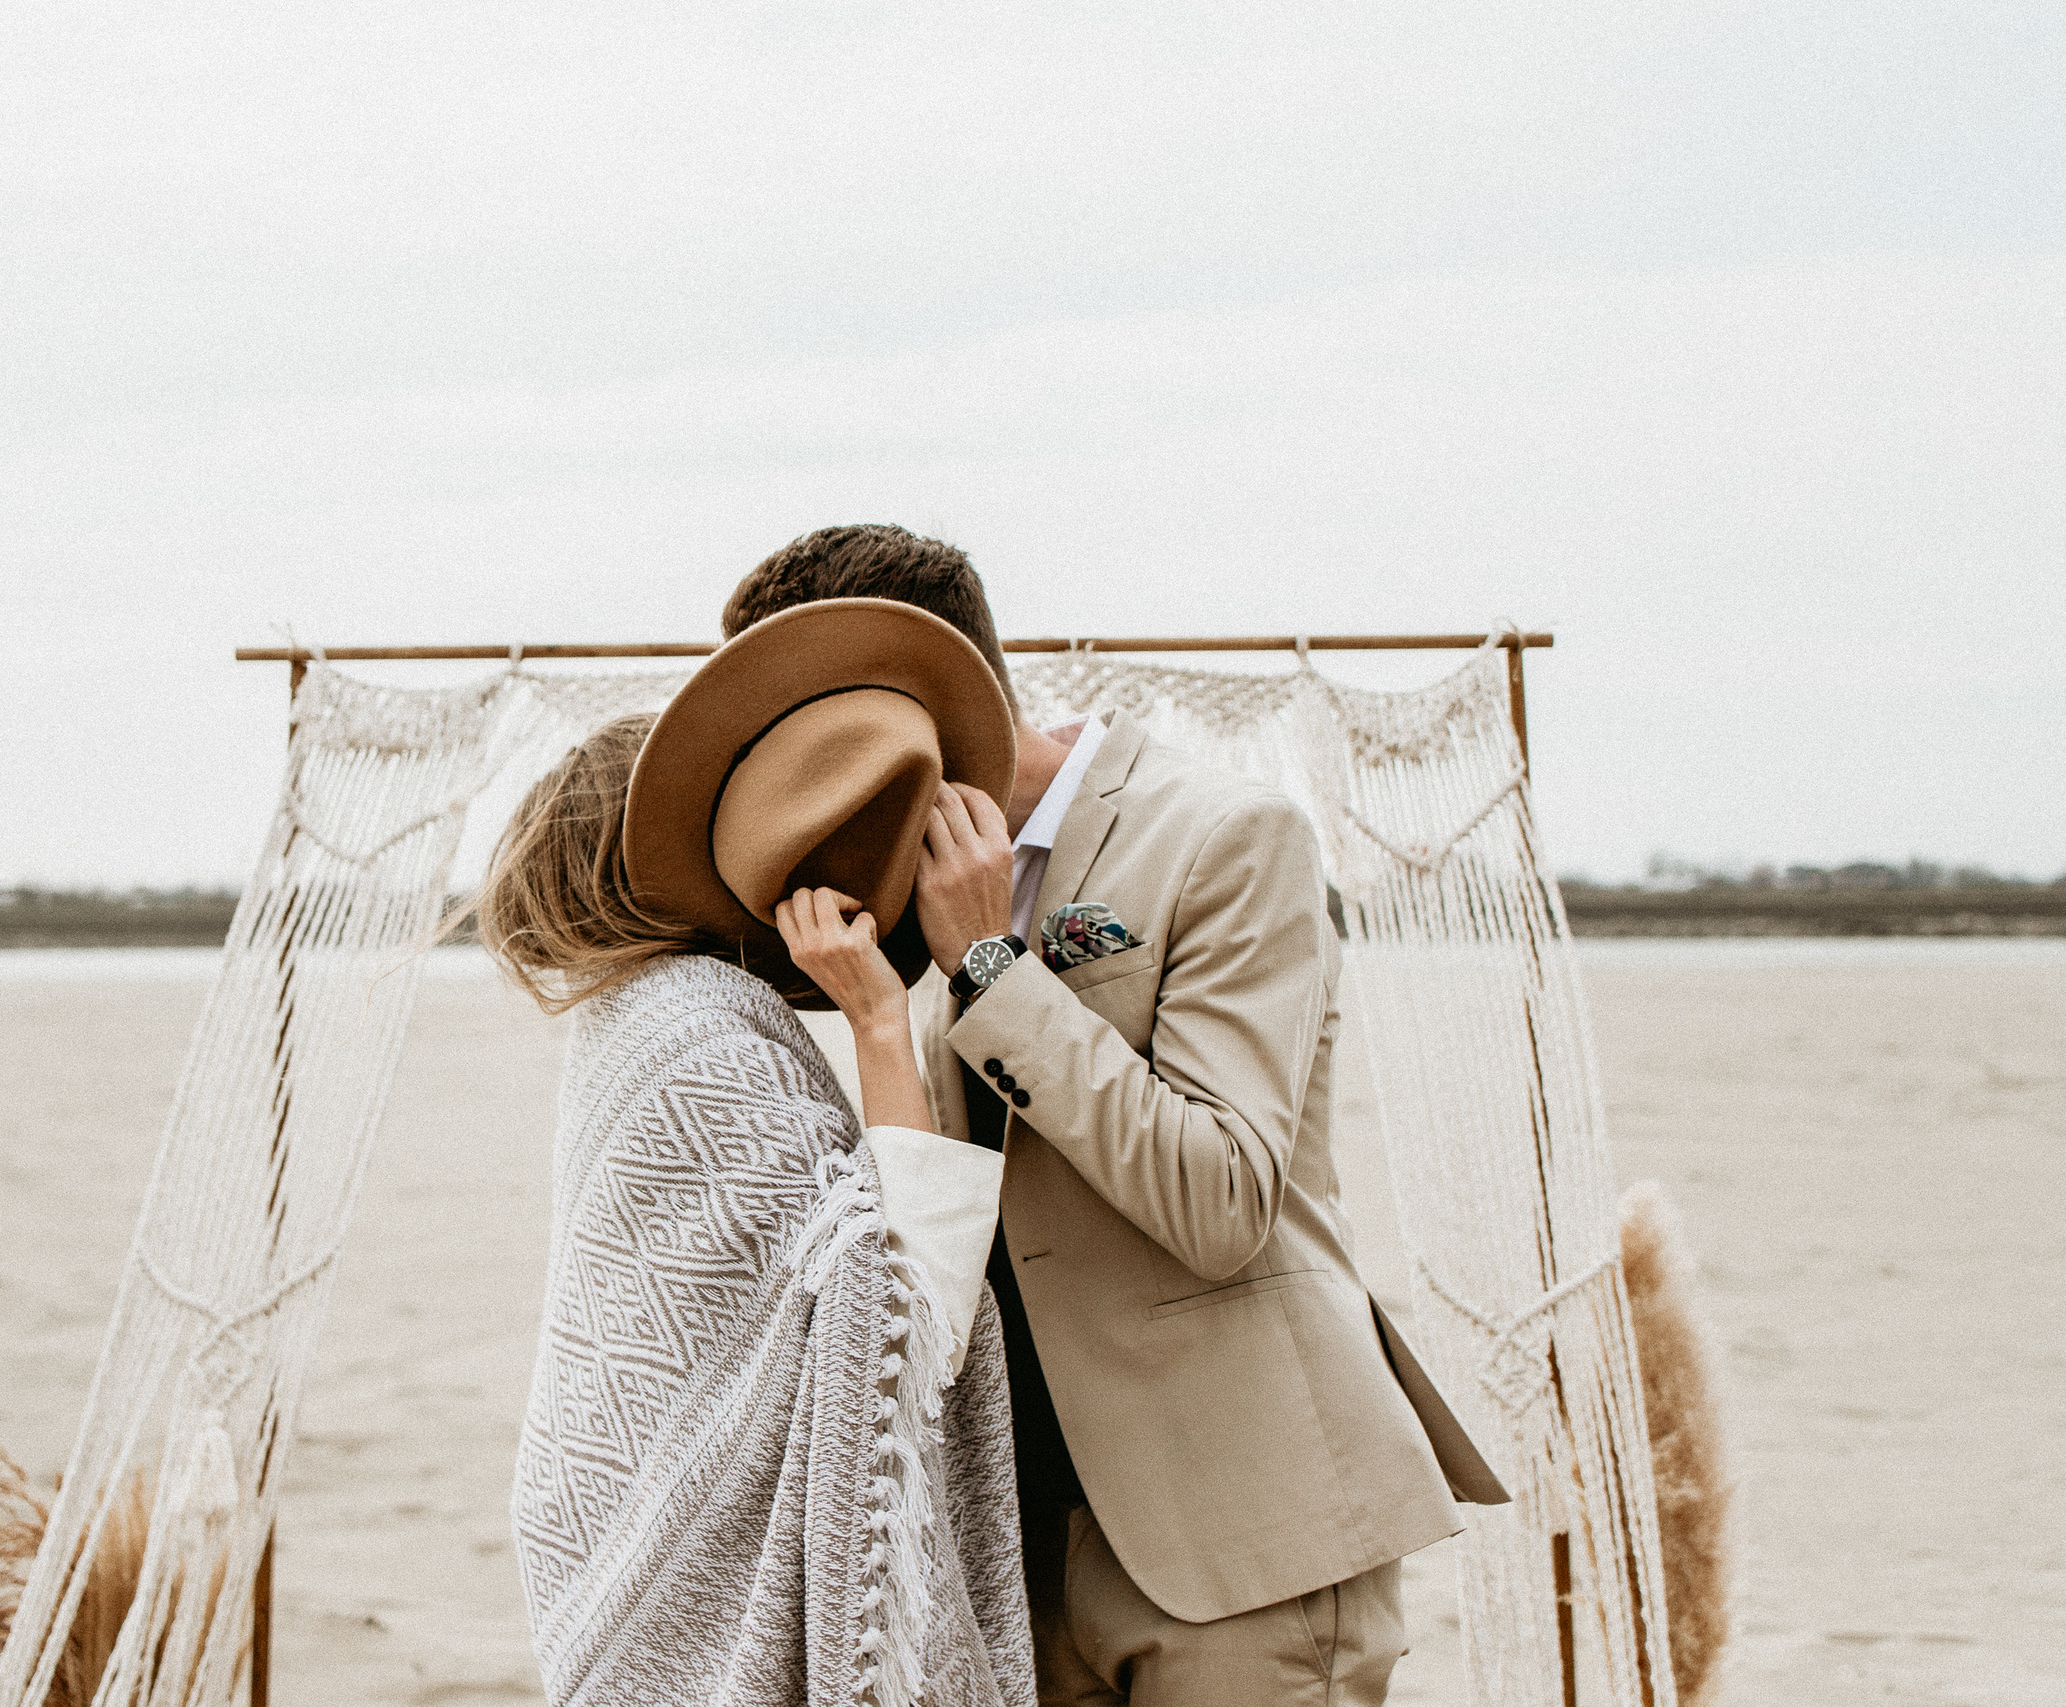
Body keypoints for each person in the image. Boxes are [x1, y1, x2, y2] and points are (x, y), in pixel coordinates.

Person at [721, 527, 1511, 1707]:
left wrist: (990, 966)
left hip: (1240, 1537)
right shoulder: (889, 889)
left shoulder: (1225, 838)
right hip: (1015, 1542)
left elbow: (1222, 1201)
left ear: (921, 695)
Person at [494, 599, 1040, 1707]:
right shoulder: (698, 1025)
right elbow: (896, 1303)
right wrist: (882, 1022)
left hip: (597, 1545)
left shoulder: (626, 1023)